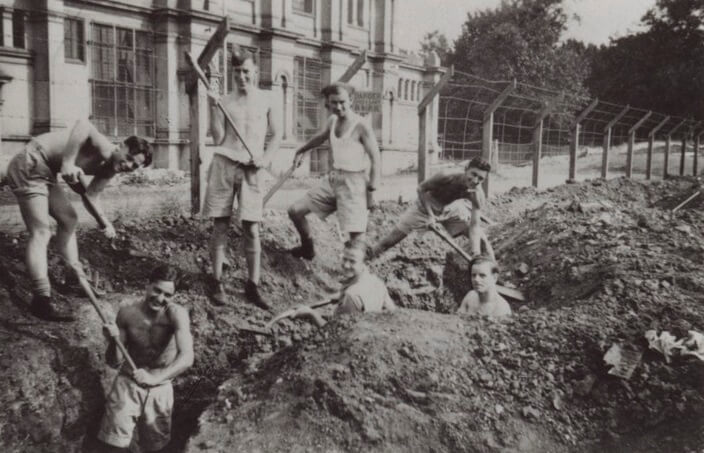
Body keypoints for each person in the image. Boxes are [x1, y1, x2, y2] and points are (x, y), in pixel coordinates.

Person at [5, 119, 152, 321]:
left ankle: (74, 277)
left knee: (69, 219)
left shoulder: (110, 169)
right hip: (31, 163)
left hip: (46, 172)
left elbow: (91, 196)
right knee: (41, 231)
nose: (127, 166)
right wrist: (68, 163)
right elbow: (83, 124)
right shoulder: (102, 147)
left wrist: (105, 223)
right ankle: (41, 300)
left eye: (134, 166)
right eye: (128, 158)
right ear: (120, 146)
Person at [204, 47, 281, 309]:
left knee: (251, 228)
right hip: (225, 164)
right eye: (237, 72)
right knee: (220, 225)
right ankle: (216, 281)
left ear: (256, 72)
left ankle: (253, 285)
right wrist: (212, 107)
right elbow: (218, 138)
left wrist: (265, 159)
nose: (241, 77)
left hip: (253, 169)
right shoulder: (224, 101)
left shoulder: (268, 99)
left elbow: (278, 135)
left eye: (246, 72)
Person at [98, 264, 194, 453]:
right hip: (129, 383)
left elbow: (187, 357)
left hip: (160, 386)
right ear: (147, 285)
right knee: (114, 444)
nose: (160, 298)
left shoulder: (176, 315)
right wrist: (112, 340)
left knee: (156, 446)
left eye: (167, 295)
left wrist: (155, 378)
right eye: (157, 290)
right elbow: (114, 361)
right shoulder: (127, 313)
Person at [287, 82, 381, 260]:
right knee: (295, 211)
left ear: (351, 100)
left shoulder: (361, 126)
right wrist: (301, 149)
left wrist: (371, 192)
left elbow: (376, 159)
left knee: (355, 239)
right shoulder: (332, 121)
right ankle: (308, 249)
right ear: (328, 103)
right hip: (334, 179)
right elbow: (320, 137)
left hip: (355, 185)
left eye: (342, 102)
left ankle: (356, 279)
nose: (338, 107)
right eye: (334, 103)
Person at [368, 156, 492, 260]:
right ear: (466, 169)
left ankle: (491, 268)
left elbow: (475, 226)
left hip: (448, 209)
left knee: (482, 240)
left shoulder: (477, 194)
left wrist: (476, 254)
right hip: (423, 209)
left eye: (480, 179)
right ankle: (366, 259)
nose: (475, 180)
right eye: (473, 174)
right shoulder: (447, 175)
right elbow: (420, 189)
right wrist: (431, 215)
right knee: (389, 241)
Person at [274, 239, 395, 328]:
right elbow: (393, 312)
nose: (346, 265)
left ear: (365, 262)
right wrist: (340, 296)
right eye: (344, 259)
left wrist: (311, 314)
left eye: (352, 261)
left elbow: (336, 333)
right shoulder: (376, 282)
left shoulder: (351, 295)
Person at [457, 255, 511, 319]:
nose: (476, 279)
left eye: (482, 275)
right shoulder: (470, 296)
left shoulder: (501, 308)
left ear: (494, 278)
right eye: (473, 275)